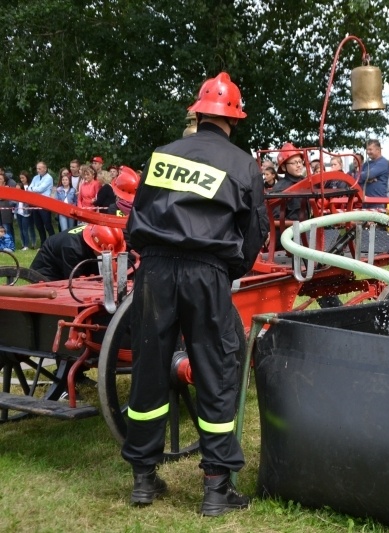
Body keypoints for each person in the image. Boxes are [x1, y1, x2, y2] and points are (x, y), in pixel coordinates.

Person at [124, 72, 268, 515]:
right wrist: (227, 271)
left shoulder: (163, 155)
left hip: (155, 271)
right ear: (233, 119)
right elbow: (255, 231)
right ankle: (215, 488)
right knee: (217, 368)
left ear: (199, 112)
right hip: (207, 273)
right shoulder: (244, 164)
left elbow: (138, 215)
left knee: (149, 367)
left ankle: (144, 481)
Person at [29, 224, 124, 281]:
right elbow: (75, 281)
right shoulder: (72, 248)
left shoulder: (95, 234)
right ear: (95, 246)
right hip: (48, 272)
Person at [270, 142, 308, 222]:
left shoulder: (307, 182)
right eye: (294, 162)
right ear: (284, 167)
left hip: (308, 228)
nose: (299, 165)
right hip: (290, 232)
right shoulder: (279, 189)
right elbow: (276, 219)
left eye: (300, 162)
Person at [29, 161, 56, 243]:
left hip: (45, 203)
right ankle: (43, 243)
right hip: (35, 203)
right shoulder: (35, 178)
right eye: (37, 168)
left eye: (40, 168)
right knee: (39, 225)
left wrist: (34, 189)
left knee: (47, 225)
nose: (38, 170)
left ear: (45, 169)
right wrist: (34, 189)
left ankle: (53, 242)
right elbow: (29, 188)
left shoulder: (49, 178)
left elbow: (40, 189)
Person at [13, 174, 36, 250]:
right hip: (18, 213)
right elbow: (11, 203)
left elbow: (28, 203)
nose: (17, 191)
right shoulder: (15, 196)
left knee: (25, 229)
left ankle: (27, 245)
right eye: (16, 189)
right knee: (21, 229)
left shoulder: (26, 195)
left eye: (19, 189)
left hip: (25, 214)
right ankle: (23, 244)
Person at [0, 174, 14, 245]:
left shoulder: (7, 188)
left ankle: (10, 245)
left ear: (4, 182)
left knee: (7, 228)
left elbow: (2, 197)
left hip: (6, 212)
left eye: (0, 179)